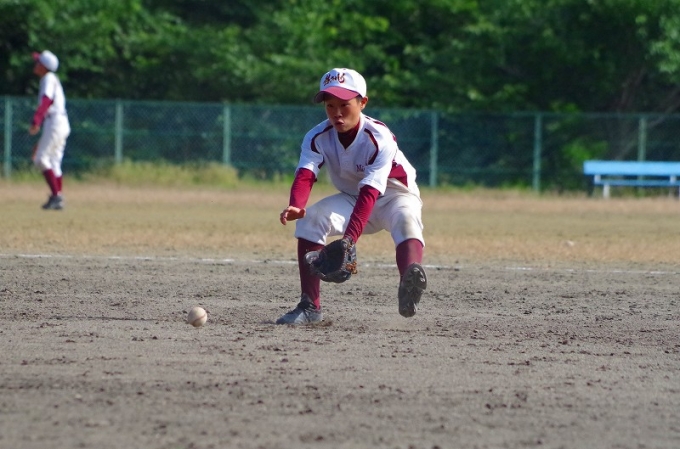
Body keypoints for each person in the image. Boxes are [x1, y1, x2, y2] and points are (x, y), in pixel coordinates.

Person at [277, 68, 427, 325]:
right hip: (351, 197)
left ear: (362, 102)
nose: (336, 112)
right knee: (311, 219)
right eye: (330, 105)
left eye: (344, 104)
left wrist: (348, 241)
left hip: (395, 196)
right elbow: (305, 173)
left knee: (406, 219)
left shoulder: (379, 137)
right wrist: (297, 205)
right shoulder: (317, 136)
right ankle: (310, 307)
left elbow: (370, 192)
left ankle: (409, 280)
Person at [29, 50, 71, 210]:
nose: (35, 64)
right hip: (60, 122)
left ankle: (56, 196)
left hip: (54, 121)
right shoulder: (52, 79)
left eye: (38, 62)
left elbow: (47, 100)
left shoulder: (48, 78)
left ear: (44, 66)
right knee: (54, 162)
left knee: (41, 159)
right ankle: (57, 197)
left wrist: (36, 120)